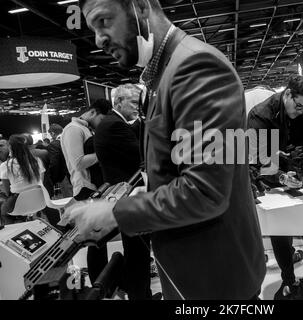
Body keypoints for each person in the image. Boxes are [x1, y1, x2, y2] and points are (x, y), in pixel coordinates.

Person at [68, 0, 266, 300]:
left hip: (216, 280)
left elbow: (205, 192)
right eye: (94, 28)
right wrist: (148, 187)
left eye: (104, 21)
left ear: (141, 7)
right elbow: (183, 162)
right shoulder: (163, 73)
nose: (98, 39)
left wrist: (114, 213)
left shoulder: (195, 67)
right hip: (193, 271)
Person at [247, 75, 303, 300]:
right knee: (281, 226)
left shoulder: (299, 111)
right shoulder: (260, 115)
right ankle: (288, 280)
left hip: (289, 170)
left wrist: (301, 168)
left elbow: (301, 145)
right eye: (298, 106)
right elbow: (257, 161)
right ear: (287, 94)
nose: (301, 112)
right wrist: (282, 176)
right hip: (267, 173)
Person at [94, 94, 156, 300]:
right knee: (138, 252)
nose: (137, 107)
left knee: (136, 250)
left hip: (125, 193)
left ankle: (141, 294)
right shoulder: (114, 125)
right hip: (128, 195)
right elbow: (142, 155)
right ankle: (141, 297)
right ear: (118, 101)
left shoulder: (113, 122)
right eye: (133, 103)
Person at [61, 103, 109, 284]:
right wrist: (104, 151)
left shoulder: (84, 129)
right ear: (92, 112)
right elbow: (78, 163)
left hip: (92, 187)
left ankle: (103, 283)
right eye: (101, 119)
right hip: (84, 188)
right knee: (95, 240)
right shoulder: (73, 129)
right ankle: (99, 284)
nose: (101, 124)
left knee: (99, 240)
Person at [0, 135, 45, 225]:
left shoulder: (6, 165)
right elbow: (40, 182)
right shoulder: (37, 161)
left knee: (3, 212)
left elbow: (7, 190)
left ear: (11, 148)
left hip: (18, 202)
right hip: (40, 200)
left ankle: (14, 232)